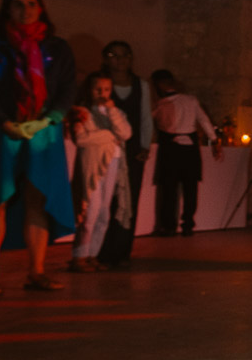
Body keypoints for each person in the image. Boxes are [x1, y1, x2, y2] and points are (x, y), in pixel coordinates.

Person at [0, 0, 76, 295]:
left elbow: (67, 88)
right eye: (17, 4)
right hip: (2, 131)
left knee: (37, 199)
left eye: (31, 4)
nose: (25, 10)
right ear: (7, 9)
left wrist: (48, 119)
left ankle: (36, 272)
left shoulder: (57, 47)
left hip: (43, 132)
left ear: (40, 8)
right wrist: (4, 122)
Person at [96, 41, 153, 265]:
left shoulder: (141, 85)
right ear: (106, 58)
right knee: (104, 201)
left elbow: (145, 117)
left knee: (128, 202)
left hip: (132, 151)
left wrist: (145, 145)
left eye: (125, 55)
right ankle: (99, 251)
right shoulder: (100, 83)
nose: (120, 60)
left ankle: (121, 251)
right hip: (105, 149)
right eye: (114, 55)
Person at [67, 73, 132, 273]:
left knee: (104, 212)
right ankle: (79, 256)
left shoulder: (115, 112)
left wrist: (111, 112)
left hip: (113, 162)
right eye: (98, 89)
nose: (102, 94)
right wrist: (110, 136)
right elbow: (81, 139)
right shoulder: (82, 113)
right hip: (92, 165)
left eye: (106, 89)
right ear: (90, 90)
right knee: (91, 211)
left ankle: (92, 254)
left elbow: (126, 133)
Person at [149, 69, 221, 237]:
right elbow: (204, 120)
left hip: (170, 148)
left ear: (159, 85)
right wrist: (214, 141)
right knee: (190, 187)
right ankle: (187, 224)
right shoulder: (191, 100)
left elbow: (149, 122)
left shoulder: (160, 105)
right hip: (190, 149)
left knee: (169, 189)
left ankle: (168, 226)